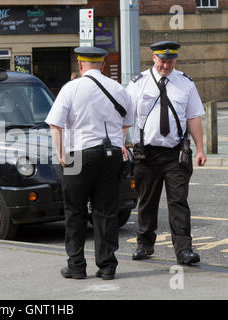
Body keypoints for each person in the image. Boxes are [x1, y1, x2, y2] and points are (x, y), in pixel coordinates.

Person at [46, 46, 134, 280]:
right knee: (106, 211)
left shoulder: (71, 88)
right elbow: (127, 122)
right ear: (103, 65)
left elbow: (55, 125)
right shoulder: (118, 89)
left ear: (80, 64)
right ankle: (107, 266)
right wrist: (119, 142)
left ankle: (76, 265)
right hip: (111, 154)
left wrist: (62, 154)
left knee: (75, 210)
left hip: (78, 154)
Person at [126, 41, 207, 266]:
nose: (166, 65)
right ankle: (144, 244)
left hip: (176, 154)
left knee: (178, 202)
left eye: (170, 61)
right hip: (147, 154)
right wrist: (121, 143)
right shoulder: (138, 84)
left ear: (175, 61)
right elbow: (126, 118)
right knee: (147, 202)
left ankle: (184, 251)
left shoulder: (185, 83)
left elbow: (193, 117)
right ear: (154, 58)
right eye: (162, 61)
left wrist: (200, 149)